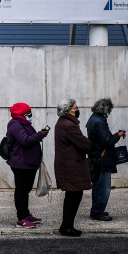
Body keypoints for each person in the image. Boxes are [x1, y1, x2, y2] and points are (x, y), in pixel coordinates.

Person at [6, 102, 48, 229]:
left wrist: (39, 133)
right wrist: (40, 134)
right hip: (21, 164)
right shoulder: (15, 124)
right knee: (21, 191)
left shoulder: (24, 124)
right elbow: (24, 140)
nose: (30, 115)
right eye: (28, 113)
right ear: (22, 114)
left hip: (28, 163)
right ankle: (21, 218)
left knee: (26, 190)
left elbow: (29, 137)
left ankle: (26, 214)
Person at [54, 98, 92, 237]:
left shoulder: (61, 123)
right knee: (74, 196)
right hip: (72, 166)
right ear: (69, 110)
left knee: (72, 196)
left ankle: (67, 225)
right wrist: (88, 141)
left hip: (68, 165)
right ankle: (66, 226)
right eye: (75, 108)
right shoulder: (70, 126)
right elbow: (85, 145)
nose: (77, 110)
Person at [86, 98, 126, 221]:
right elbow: (107, 141)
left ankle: (98, 209)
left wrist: (113, 135)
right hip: (101, 159)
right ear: (104, 109)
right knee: (103, 186)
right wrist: (117, 136)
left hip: (97, 156)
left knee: (99, 185)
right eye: (109, 110)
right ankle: (97, 212)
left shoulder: (93, 119)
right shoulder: (99, 122)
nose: (109, 112)